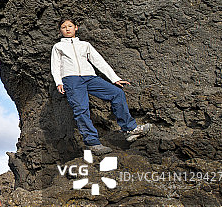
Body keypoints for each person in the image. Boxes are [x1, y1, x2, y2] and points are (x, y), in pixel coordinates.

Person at [51, 18, 152, 155]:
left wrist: (115, 78)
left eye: (70, 26)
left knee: (117, 93)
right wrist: (59, 82)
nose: (67, 29)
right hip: (71, 79)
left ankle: (129, 129)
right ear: (60, 31)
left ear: (76, 28)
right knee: (81, 109)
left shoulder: (85, 45)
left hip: (90, 77)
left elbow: (99, 61)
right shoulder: (58, 47)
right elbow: (55, 66)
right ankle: (93, 143)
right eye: (64, 27)